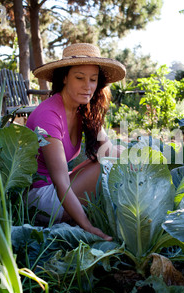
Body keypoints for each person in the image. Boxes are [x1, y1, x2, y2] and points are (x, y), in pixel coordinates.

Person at [26, 43, 126, 241]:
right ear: (64, 77)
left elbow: (107, 150)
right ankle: (94, 219)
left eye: (93, 79)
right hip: (41, 198)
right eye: (79, 78)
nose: (87, 86)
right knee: (105, 166)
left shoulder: (82, 109)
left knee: (118, 153)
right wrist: (88, 228)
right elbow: (61, 181)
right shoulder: (49, 115)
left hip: (59, 188)